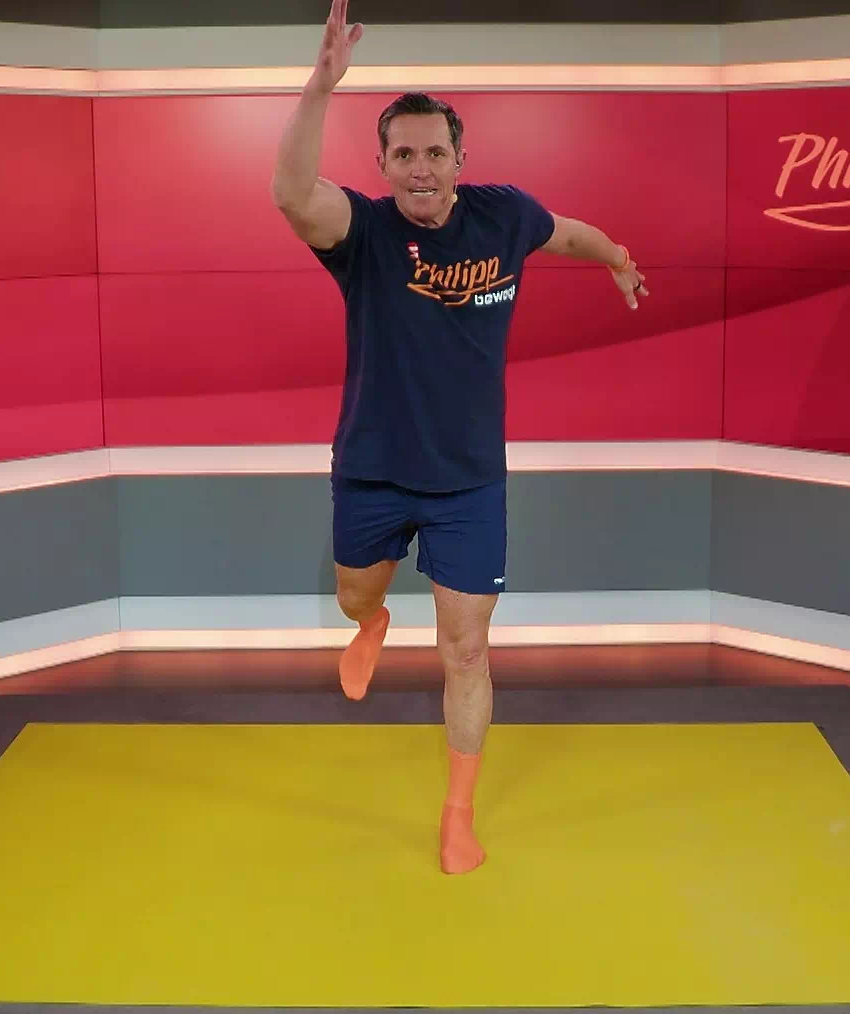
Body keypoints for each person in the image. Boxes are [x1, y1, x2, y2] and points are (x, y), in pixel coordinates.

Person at [269, 0, 648, 875]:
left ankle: (457, 815)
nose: (420, 168)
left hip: (470, 481)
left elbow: (567, 233)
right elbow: (291, 193)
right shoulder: (362, 233)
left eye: (434, 152)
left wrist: (617, 258)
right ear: (383, 166)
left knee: (467, 649)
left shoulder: (503, 216)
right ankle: (370, 623)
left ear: (458, 160)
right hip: (372, 469)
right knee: (354, 596)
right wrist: (319, 88)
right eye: (403, 154)